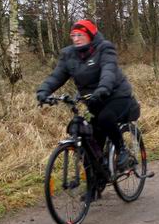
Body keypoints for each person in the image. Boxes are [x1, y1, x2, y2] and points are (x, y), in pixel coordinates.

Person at [36, 19, 139, 171]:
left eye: (80, 35)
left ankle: (121, 149)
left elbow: (108, 71)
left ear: (90, 35)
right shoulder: (68, 54)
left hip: (117, 96)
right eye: (73, 35)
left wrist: (103, 88)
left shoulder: (105, 48)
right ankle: (95, 185)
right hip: (93, 100)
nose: (76, 39)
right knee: (89, 140)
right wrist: (43, 91)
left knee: (105, 118)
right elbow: (56, 76)